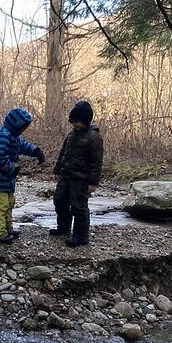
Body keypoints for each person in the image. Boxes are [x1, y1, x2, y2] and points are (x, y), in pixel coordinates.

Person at [0, 107, 45, 243]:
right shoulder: (3, 136)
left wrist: (36, 151)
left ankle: (6, 229)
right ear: (15, 124)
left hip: (6, 180)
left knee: (10, 203)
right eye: (23, 126)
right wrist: (11, 168)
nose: (24, 129)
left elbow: (23, 146)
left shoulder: (14, 136)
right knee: (2, 205)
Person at [52, 100, 104, 247]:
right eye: (72, 121)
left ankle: (81, 237)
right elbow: (63, 153)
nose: (73, 124)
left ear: (85, 121)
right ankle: (63, 228)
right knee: (59, 200)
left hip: (81, 179)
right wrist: (57, 170)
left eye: (76, 122)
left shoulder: (94, 137)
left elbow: (96, 162)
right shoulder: (72, 134)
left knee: (79, 207)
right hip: (66, 175)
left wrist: (93, 183)